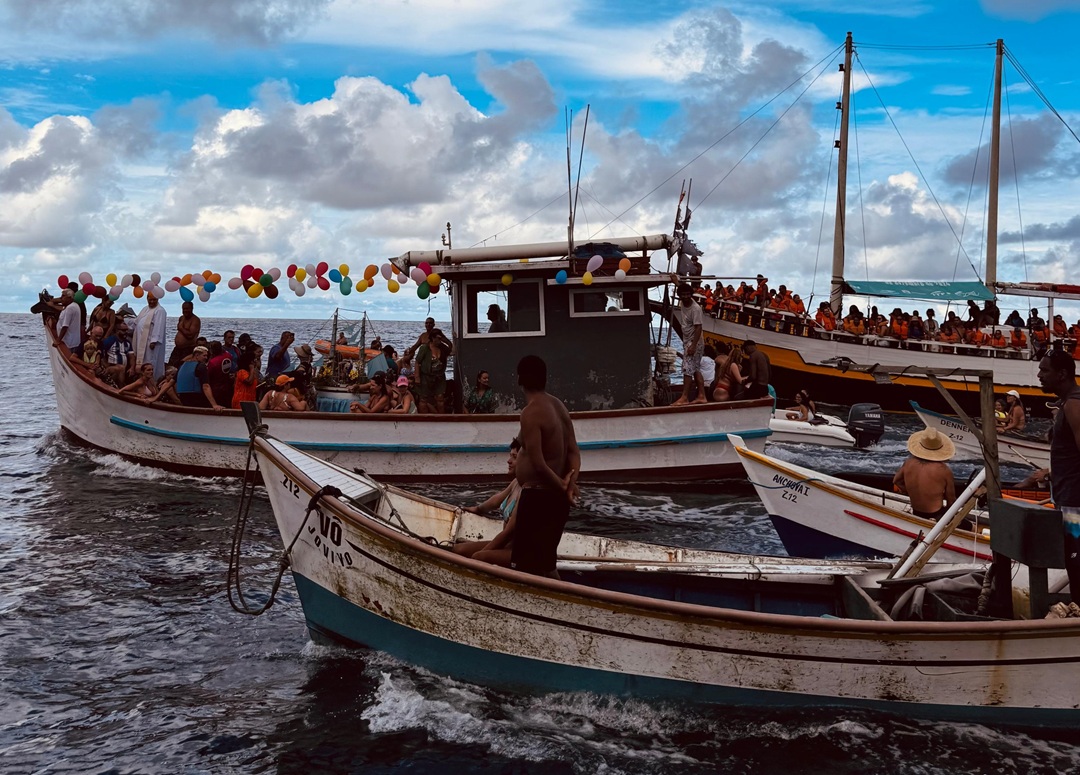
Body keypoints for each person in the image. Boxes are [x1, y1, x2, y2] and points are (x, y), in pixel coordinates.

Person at [509, 355, 580, 577]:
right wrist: (570, 484)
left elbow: (539, 464)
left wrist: (562, 485)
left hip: (539, 498)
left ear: (520, 379)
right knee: (547, 564)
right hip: (556, 500)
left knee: (526, 567)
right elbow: (574, 452)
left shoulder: (530, 413)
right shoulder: (559, 406)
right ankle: (564, 600)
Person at [1037, 350, 1080, 600]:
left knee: (1077, 566)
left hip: (1075, 504)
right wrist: (1053, 474)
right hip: (1068, 497)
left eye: (1045, 370)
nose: (1040, 375)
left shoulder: (1074, 404)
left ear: (1062, 374)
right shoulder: (1068, 402)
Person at [453, 438, 524, 564]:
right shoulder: (516, 483)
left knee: (478, 557)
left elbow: (508, 533)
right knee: (458, 549)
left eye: (514, 457)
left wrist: (482, 553)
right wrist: (478, 509)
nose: (509, 461)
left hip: (518, 551)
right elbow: (496, 500)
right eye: (510, 456)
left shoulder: (527, 491)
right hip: (505, 546)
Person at [893, 428, 957, 521]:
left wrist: (908, 490)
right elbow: (951, 500)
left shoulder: (908, 463)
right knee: (972, 527)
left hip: (916, 512)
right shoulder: (944, 470)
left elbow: (896, 481)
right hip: (935, 515)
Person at [671, 283, 706, 406]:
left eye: (688, 294)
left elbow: (698, 327)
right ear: (679, 295)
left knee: (687, 369)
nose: (685, 297)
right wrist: (676, 281)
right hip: (687, 341)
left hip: (694, 342)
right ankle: (702, 395)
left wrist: (693, 345)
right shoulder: (682, 302)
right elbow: (682, 287)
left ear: (691, 295)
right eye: (683, 295)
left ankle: (684, 397)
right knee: (695, 369)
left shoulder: (695, 308)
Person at [176, 345, 224, 410]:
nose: (206, 358)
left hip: (183, 399)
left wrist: (157, 397)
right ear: (197, 355)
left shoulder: (182, 366)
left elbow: (169, 383)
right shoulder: (201, 367)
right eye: (204, 355)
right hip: (196, 399)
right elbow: (206, 386)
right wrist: (214, 405)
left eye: (207, 356)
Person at [131, 294, 167, 381]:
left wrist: (154, 340)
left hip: (150, 344)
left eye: (154, 300)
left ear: (157, 299)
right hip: (141, 341)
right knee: (142, 363)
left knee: (150, 363)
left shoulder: (160, 311)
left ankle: (152, 382)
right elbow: (137, 322)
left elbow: (159, 326)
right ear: (147, 298)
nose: (152, 302)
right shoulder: (145, 309)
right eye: (150, 300)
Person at [168, 301, 201, 366]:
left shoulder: (195, 320)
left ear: (192, 309)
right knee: (171, 367)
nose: (185, 310)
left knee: (182, 366)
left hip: (188, 349)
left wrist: (181, 328)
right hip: (177, 349)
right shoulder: (181, 318)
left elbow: (190, 335)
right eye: (184, 309)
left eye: (187, 308)